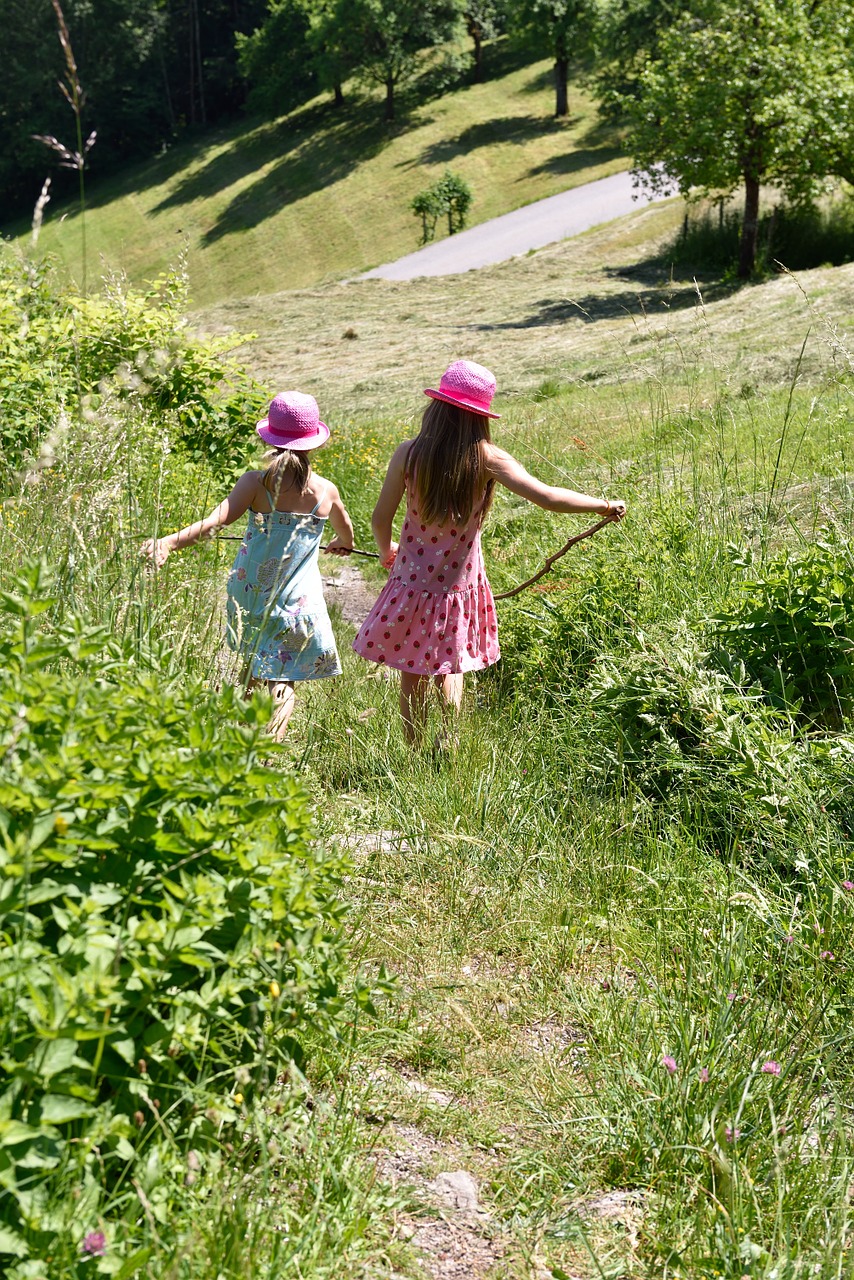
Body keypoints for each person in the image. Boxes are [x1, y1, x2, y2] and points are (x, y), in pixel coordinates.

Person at [352, 360, 626, 745]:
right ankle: (448, 741)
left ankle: (412, 754)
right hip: (458, 590)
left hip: (411, 583)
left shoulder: (409, 454)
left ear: (437, 407)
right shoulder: (488, 459)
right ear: (481, 416)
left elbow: (380, 518)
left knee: (410, 672)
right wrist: (600, 504)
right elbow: (546, 497)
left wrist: (386, 552)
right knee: (452, 665)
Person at [142, 391, 354, 739]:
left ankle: (245, 746)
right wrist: (340, 545)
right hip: (300, 603)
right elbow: (347, 534)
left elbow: (214, 525)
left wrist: (169, 542)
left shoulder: (256, 483)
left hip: (252, 597)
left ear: (268, 438)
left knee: (255, 670)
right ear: (314, 441)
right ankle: (262, 750)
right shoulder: (325, 491)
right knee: (282, 679)